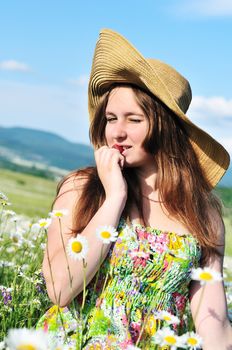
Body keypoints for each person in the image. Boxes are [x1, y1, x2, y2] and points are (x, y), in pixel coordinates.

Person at [37, 29, 232, 349]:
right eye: (111, 118)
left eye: (134, 119)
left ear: (166, 127)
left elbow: (214, 324)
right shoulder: (82, 188)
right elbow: (60, 289)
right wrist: (114, 197)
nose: (117, 131)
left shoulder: (201, 213)